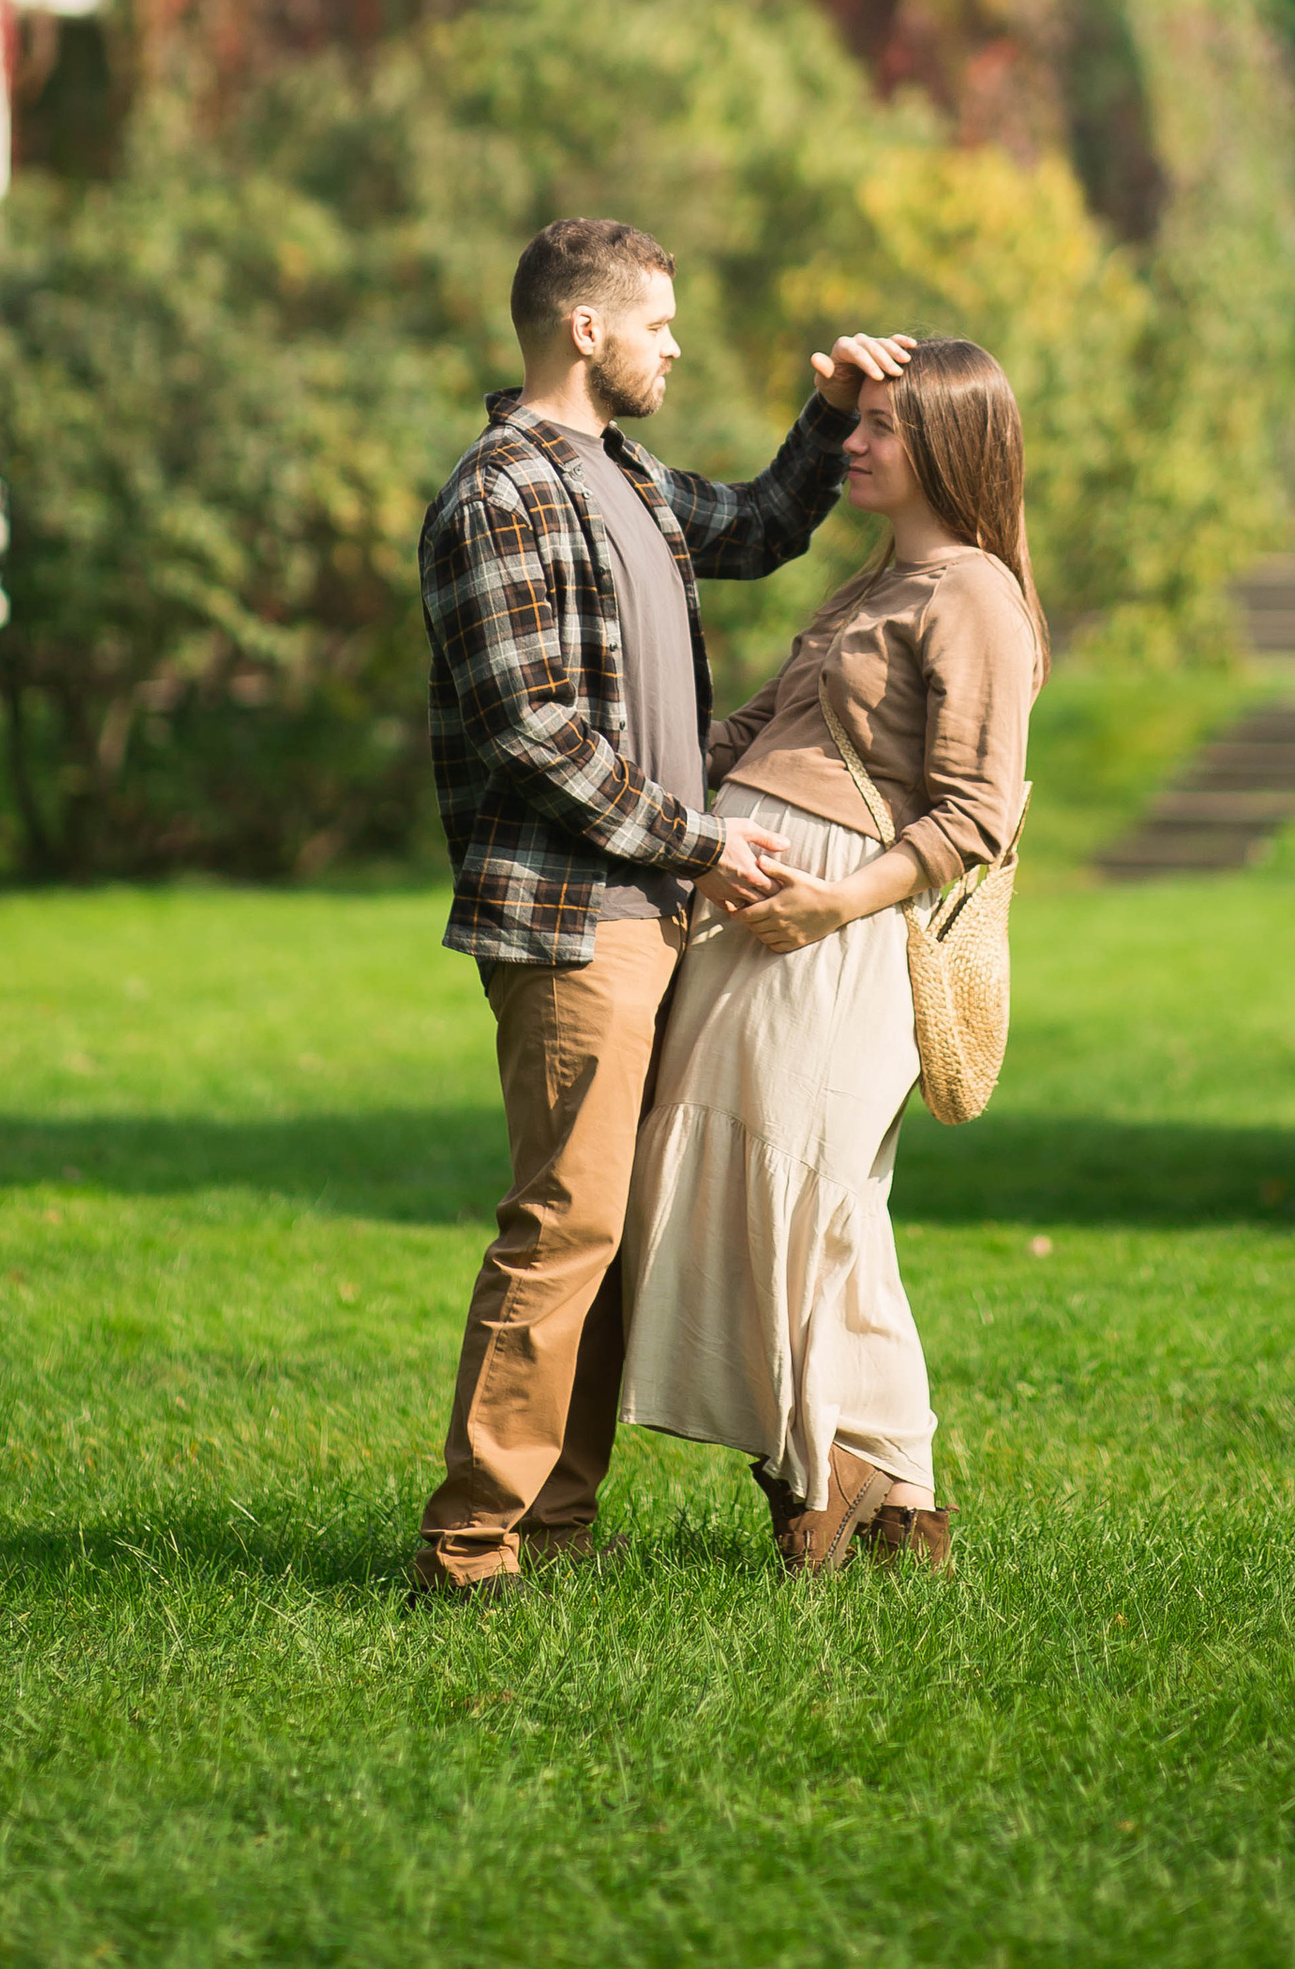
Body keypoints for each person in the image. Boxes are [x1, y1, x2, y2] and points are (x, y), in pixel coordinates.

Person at [409, 213, 912, 1604]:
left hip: (652, 903)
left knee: (613, 1227)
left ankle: (556, 1527)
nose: (675, 345)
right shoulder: (498, 494)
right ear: (586, 328)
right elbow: (530, 728)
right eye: (659, 324)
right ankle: (469, 1551)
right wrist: (699, 845)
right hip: (573, 913)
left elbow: (755, 527)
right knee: (565, 1222)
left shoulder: (622, 478)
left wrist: (825, 420)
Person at [618, 338, 1044, 1577]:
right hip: (761, 909)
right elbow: (755, 732)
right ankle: (882, 1491)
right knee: (818, 1206)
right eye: (854, 422)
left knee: (796, 1193)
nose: (848, 444)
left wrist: (829, 905)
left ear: (951, 448)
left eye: (879, 430)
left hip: (834, 927)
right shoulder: (871, 587)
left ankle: (824, 1476)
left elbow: (976, 815)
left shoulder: (972, 597)